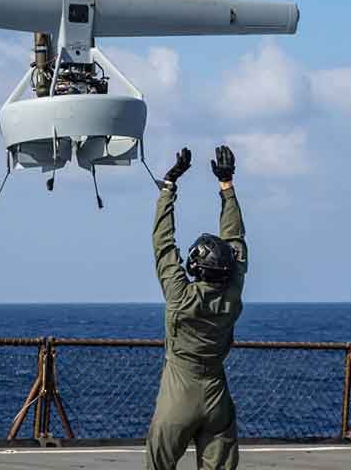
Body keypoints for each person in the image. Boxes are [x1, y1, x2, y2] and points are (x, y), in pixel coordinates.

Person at [145, 145, 246, 470]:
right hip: (216, 394)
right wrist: (226, 185)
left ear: (197, 268)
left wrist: (169, 187)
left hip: (178, 395)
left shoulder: (181, 296)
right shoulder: (232, 293)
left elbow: (163, 244)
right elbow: (236, 240)